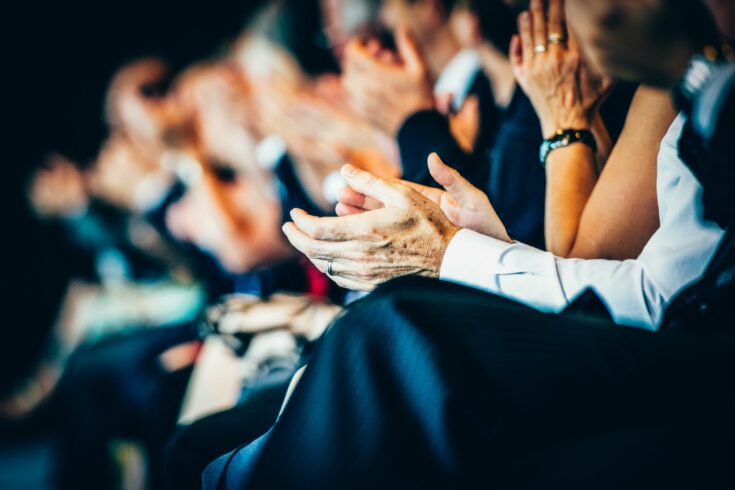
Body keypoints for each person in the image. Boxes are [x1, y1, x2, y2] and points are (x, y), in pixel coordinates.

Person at [209, 1, 735, 488]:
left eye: (362, 26)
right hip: (649, 348)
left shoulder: (649, 77)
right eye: (339, 36)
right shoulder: (542, 84)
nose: (360, 42)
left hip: (697, 384)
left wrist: (453, 244)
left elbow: (609, 279)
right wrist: (481, 243)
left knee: (384, 330)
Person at [282, 0, 724, 330]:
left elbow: (593, 281)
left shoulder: (658, 81)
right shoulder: (512, 91)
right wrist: (486, 242)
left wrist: (564, 119)